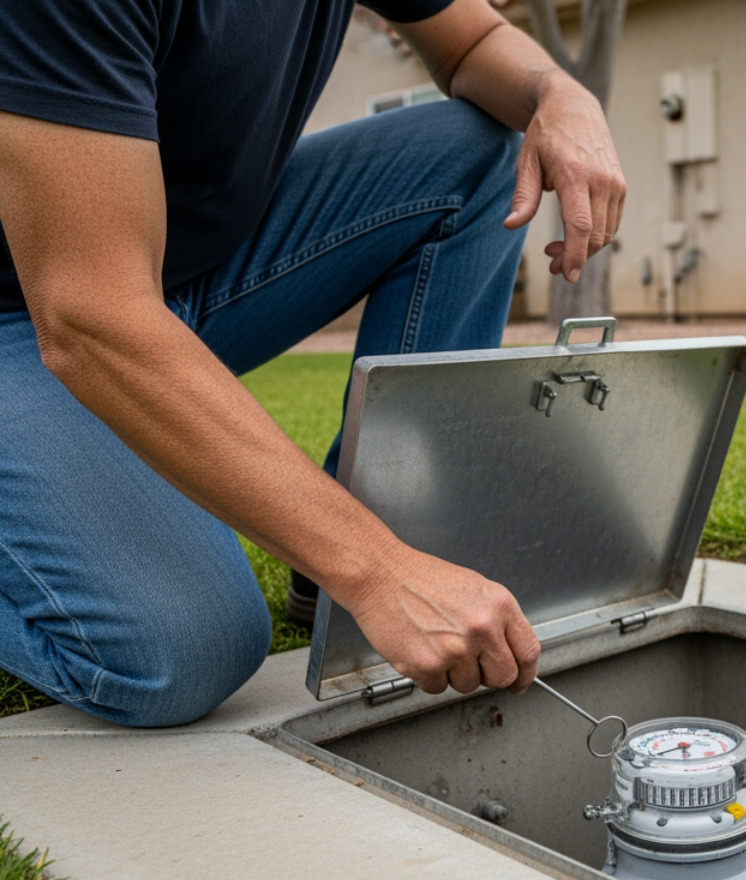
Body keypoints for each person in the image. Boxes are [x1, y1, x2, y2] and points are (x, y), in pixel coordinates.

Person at [0, 0, 626, 727]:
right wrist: (374, 567)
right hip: (43, 302)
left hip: (175, 264)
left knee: (474, 153)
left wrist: (562, 94)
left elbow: (471, 43)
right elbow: (90, 316)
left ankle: (343, 567)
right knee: (185, 649)